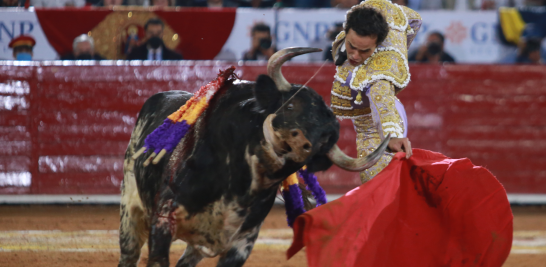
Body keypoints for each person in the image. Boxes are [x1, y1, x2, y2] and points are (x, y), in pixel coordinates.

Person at [329, 1, 421, 182]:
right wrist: (402, 46)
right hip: (378, 112)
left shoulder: (381, 69)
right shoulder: (377, 13)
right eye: (351, 46)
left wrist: (392, 137)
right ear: (346, 30)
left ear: (377, 45)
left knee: (375, 180)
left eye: (364, 51)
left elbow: (382, 99)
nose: (355, 56)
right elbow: (415, 19)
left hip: (380, 121)